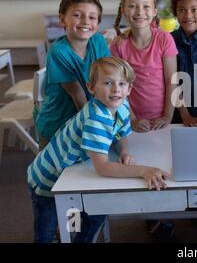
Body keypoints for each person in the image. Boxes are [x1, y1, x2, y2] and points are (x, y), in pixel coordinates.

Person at [27, 57, 169, 243]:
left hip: (71, 173)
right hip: (48, 178)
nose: (116, 89)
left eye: (121, 83)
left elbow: (121, 132)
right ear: (91, 88)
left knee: (94, 213)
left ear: (129, 89)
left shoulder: (122, 104)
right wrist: (144, 170)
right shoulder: (96, 118)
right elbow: (103, 167)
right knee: (47, 228)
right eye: (108, 83)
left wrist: (124, 151)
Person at [35, 0, 110, 150]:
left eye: (92, 17)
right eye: (77, 15)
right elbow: (78, 94)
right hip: (57, 127)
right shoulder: (58, 51)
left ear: (98, 23)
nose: (85, 21)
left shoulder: (98, 42)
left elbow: (109, 80)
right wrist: (95, 130)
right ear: (62, 19)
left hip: (86, 120)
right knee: (53, 174)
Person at [110, 0, 178, 132]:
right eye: (133, 6)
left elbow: (171, 81)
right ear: (123, 10)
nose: (140, 12)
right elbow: (119, 86)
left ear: (154, 11)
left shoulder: (164, 40)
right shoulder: (118, 45)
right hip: (131, 121)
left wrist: (167, 116)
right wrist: (132, 119)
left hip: (163, 120)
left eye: (146, 6)